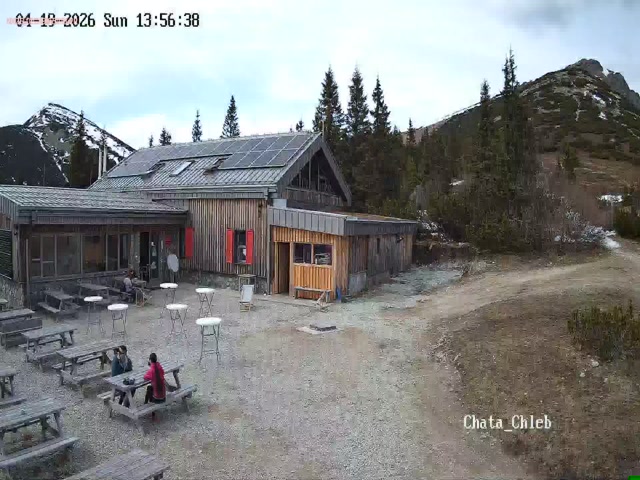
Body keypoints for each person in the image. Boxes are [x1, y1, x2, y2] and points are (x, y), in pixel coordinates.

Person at [143, 353, 166, 418]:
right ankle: (146, 405)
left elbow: (145, 377)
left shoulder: (152, 370)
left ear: (150, 360)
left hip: (157, 398)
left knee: (149, 389)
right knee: (150, 388)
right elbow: (162, 372)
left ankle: (147, 406)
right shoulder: (159, 367)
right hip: (163, 396)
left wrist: (150, 367)